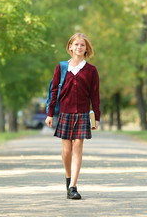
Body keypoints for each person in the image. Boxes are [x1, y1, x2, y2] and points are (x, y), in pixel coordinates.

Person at [45, 33, 100, 200]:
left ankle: (73, 186)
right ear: (70, 47)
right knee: (66, 151)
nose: (79, 47)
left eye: (82, 45)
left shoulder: (91, 70)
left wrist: (96, 117)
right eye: (76, 44)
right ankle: (68, 179)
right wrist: (50, 113)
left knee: (77, 149)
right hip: (65, 114)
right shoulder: (61, 68)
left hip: (83, 114)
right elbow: (54, 92)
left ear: (86, 49)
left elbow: (95, 95)